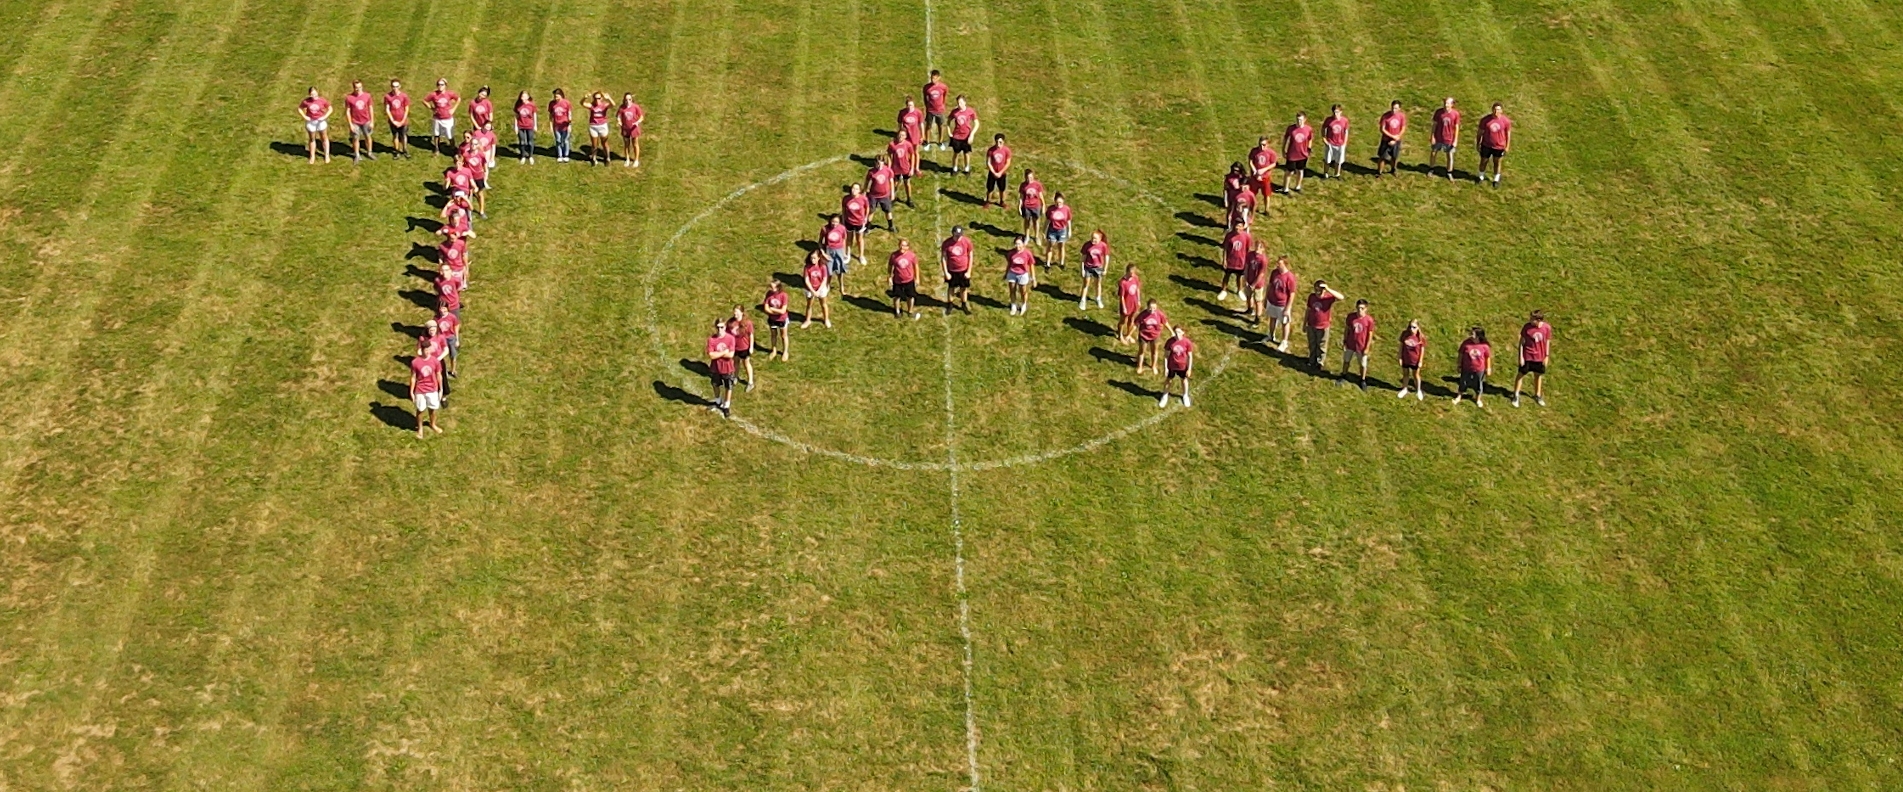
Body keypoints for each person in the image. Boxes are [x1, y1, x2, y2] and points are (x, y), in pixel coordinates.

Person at [1512, 310, 1551, 407]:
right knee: (1521, 375)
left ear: (1538, 320)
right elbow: (1521, 342)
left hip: (1539, 357)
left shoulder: (1546, 328)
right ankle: (1516, 395)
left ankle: (1537, 395)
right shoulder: (1527, 327)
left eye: (1532, 319)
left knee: (1538, 376)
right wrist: (1521, 356)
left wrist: (1546, 356)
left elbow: (1547, 342)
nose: (1530, 320)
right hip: (1527, 356)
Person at [1303, 279, 1344, 368]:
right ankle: (1311, 360)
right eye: (1316, 289)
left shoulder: (1328, 297)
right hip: (1311, 325)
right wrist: (1304, 323)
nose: (1318, 292)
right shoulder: (1312, 297)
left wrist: (1328, 289)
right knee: (1312, 344)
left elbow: (1341, 297)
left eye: (1320, 290)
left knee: (1322, 346)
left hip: (1323, 326)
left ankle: (1320, 362)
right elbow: (1308, 310)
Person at [409, 343, 445, 438]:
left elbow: (439, 375)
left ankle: (432, 424)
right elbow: (413, 377)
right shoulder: (415, 362)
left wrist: (441, 389)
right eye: (426, 350)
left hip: (432, 389)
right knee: (420, 410)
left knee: (432, 409)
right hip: (420, 389)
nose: (428, 352)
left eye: (429, 349)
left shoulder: (435, 361)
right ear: (422, 349)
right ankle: (420, 428)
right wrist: (411, 391)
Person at [1339, 299, 1375, 390]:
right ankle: (1344, 375)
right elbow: (1347, 329)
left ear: (1366, 309)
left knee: (1363, 364)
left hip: (1361, 346)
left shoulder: (1369, 320)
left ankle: (1362, 380)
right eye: (1358, 308)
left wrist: (1367, 347)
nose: (1360, 310)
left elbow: (1370, 334)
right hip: (1351, 343)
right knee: (1346, 360)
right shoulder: (1351, 317)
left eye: (1362, 308)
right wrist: (1345, 340)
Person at [1453, 326, 1492, 407]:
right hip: (1466, 368)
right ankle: (1459, 396)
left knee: (1478, 384)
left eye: (1472, 334)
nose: (1470, 335)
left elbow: (1487, 357)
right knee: (1463, 382)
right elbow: (1461, 354)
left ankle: (1478, 399)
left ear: (1478, 336)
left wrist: (1488, 368)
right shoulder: (1466, 343)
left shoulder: (1485, 346)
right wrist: (1459, 365)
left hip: (1479, 369)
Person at [1265, 255, 1297, 349]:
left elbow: (1292, 294)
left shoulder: (1290, 277)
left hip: (1282, 304)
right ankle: (1271, 335)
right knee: (1272, 319)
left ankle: (1284, 341)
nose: (1277, 265)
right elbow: (1270, 285)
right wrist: (1266, 298)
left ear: (1285, 264)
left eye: (1279, 263)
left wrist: (1288, 308)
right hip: (1272, 301)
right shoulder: (1274, 273)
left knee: (1284, 323)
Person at [706, 319, 736, 417]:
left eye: (722, 327)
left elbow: (731, 354)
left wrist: (717, 354)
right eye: (718, 327)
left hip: (727, 367)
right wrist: (723, 352)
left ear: (725, 327)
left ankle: (726, 405)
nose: (720, 329)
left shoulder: (730, 338)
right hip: (716, 367)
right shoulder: (711, 339)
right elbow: (711, 355)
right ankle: (718, 401)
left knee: (728, 386)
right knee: (715, 384)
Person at [1477, 102, 1512, 187]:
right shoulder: (1485, 120)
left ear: (1502, 110)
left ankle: (1496, 179)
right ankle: (1481, 177)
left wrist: (1507, 146)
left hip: (1499, 146)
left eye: (1499, 109)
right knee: (1483, 161)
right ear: (1492, 110)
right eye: (1495, 109)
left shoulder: (1505, 121)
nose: (1497, 111)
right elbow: (1480, 133)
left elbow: (1508, 134)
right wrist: (1478, 143)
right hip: (1486, 145)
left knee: (1497, 162)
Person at [941, 226, 974, 313]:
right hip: (952, 270)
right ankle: (950, 304)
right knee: (951, 288)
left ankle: (964, 304)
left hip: (963, 269)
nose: (958, 237)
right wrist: (946, 272)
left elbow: (970, 255)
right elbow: (944, 258)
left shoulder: (967, 241)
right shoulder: (947, 243)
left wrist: (969, 271)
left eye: (959, 235)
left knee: (963, 288)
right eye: (956, 235)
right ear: (953, 234)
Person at [1218, 219, 1252, 302]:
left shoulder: (1247, 237)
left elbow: (1248, 249)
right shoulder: (1229, 235)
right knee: (1227, 276)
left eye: (1240, 226)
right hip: (1230, 260)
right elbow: (1225, 248)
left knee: (1239, 276)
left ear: (1243, 227)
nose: (1238, 228)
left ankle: (1239, 290)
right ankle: (1224, 290)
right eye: (1236, 226)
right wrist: (1224, 260)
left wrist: (1247, 262)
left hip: (1241, 261)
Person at [1160, 325, 1194, 408]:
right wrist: (1166, 368)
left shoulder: (1187, 342)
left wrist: (1189, 369)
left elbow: (1190, 356)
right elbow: (1166, 356)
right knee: (1169, 380)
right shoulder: (1170, 342)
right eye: (1175, 332)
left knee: (1184, 380)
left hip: (1182, 366)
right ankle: (1165, 395)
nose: (1177, 334)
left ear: (1183, 332)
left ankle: (1185, 395)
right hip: (1172, 365)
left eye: (1179, 332)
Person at [820, 215, 852, 297]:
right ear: (830, 221)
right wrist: (823, 253)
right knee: (829, 271)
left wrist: (844, 252)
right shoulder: (825, 229)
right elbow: (820, 242)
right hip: (829, 251)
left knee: (839, 271)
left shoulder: (842, 228)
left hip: (839, 250)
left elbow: (844, 239)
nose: (834, 224)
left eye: (836, 222)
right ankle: (827, 286)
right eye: (833, 222)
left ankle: (841, 287)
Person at [1282, 111, 1314, 194]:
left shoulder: (1308, 129)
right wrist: (1283, 149)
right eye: (1297, 119)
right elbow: (1285, 139)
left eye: (1300, 120)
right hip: (1292, 154)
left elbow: (1310, 139)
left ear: (1305, 120)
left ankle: (1298, 186)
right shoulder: (1291, 128)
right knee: (1289, 172)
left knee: (1300, 171)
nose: (1299, 122)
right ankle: (1285, 188)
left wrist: (1309, 149)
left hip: (1302, 154)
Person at [298, 87, 332, 164]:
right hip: (311, 122)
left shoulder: (322, 100)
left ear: (317, 92)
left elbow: (330, 108)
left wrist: (324, 117)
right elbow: (300, 108)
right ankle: (312, 156)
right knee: (312, 139)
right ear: (309, 94)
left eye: (315, 93)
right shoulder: (306, 101)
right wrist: (305, 116)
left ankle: (326, 155)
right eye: (312, 94)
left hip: (321, 121)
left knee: (324, 137)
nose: (314, 95)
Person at [425, 78, 459, 155]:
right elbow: (425, 100)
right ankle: (436, 148)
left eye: (442, 84)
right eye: (439, 84)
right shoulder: (434, 94)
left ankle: (453, 148)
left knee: (450, 135)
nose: (440, 86)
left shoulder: (449, 94)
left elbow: (458, 99)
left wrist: (453, 109)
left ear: (445, 86)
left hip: (448, 118)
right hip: (437, 118)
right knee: (436, 134)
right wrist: (432, 108)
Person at [888, 238, 920, 319]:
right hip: (897, 280)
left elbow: (916, 266)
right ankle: (897, 312)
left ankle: (910, 311)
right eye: (901, 245)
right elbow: (890, 266)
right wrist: (889, 277)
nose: (902, 247)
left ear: (908, 247)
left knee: (910, 296)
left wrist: (917, 278)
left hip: (909, 280)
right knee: (897, 296)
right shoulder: (894, 255)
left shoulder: (912, 255)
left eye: (904, 246)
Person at [1429, 97, 1460, 181]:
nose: (1446, 105)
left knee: (1450, 155)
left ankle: (1449, 172)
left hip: (1449, 138)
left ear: (1452, 104)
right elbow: (1434, 125)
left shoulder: (1455, 114)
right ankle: (1431, 169)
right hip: (1438, 137)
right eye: (1445, 103)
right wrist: (1432, 136)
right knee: (1433, 153)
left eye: (1448, 103)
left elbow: (1456, 127)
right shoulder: (1438, 112)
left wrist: (1455, 140)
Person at [344, 80, 375, 161]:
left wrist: (372, 121)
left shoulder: (367, 96)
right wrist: (350, 124)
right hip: (355, 122)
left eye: (360, 87)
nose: (358, 89)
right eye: (356, 88)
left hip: (366, 121)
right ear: (353, 88)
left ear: (362, 87)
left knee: (368, 137)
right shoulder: (349, 98)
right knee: (355, 138)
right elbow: (347, 111)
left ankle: (369, 152)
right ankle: (357, 155)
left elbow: (370, 108)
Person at [842, 184, 872, 269]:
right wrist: (844, 220)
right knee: (849, 239)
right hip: (849, 222)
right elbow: (843, 209)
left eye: (856, 189)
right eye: (853, 188)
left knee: (859, 239)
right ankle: (848, 255)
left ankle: (861, 256)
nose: (854, 190)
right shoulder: (846, 199)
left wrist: (865, 218)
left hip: (859, 222)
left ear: (859, 190)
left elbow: (867, 208)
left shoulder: (863, 199)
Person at [1134, 300, 1169, 374]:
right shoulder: (1143, 314)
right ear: (1147, 307)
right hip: (1144, 335)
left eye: (1154, 308)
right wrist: (1131, 333)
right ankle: (1140, 366)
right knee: (1142, 351)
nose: (1152, 310)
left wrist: (1171, 331)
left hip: (1155, 336)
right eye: (1150, 308)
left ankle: (1153, 366)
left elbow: (1165, 322)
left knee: (1154, 351)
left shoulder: (1159, 314)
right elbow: (1136, 323)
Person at [800, 250, 832, 329]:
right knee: (809, 305)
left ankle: (826, 319)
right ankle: (808, 320)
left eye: (814, 258)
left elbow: (824, 279)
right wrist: (813, 291)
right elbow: (806, 280)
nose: (812, 260)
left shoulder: (823, 267)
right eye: (811, 258)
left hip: (820, 288)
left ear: (819, 258)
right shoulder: (807, 267)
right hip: (810, 289)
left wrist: (818, 290)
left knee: (824, 304)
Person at [947, 96, 979, 174]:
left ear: (965, 102)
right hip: (956, 136)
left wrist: (972, 135)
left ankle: (967, 168)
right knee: (956, 153)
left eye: (961, 102)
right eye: (958, 103)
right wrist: (949, 132)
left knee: (966, 153)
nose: (959, 104)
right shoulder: (954, 112)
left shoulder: (970, 111)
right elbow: (948, 121)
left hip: (966, 136)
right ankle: (954, 168)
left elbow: (977, 123)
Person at [865, 154, 898, 230]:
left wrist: (892, 193)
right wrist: (865, 190)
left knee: (888, 211)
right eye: (877, 163)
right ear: (875, 163)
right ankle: (867, 227)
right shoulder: (871, 172)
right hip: (873, 196)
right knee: (871, 211)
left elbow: (891, 181)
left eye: (881, 163)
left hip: (885, 195)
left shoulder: (888, 171)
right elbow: (867, 181)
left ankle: (891, 226)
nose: (879, 165)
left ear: (883, 162)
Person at [1004, 237, 1035, 315]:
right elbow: (1009, 264)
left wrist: (1033, 278)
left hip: (1023, 274)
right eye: (1016, 244)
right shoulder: (1011, 253)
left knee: (1023, 291)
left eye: (1019, 244)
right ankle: (1013, 306)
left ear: (1023, 244)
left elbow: (1031, 265)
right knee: (1012, 290)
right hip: (1012, 273)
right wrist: (1006, 273)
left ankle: (1024, 304)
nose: (1017, 246)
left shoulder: (1027, 253)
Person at [1240, 240, 1269, 326]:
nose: (1257, 248)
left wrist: (1254, 284)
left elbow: (1261, 274)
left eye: (1260, 247)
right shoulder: (1250, 255)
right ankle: (1250, 309)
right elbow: (1246, 267)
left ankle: (1257, 317)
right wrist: (1245, 279)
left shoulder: (1263, 259)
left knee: (1258, 300)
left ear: (1263, 249)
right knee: (1248, 295)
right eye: (1257, 246)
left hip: (1258, 284)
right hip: (1249, 279)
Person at [728, 305, 756, 391]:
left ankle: (750, 382)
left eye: (737, 311)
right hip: (734, 347)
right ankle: (735, 377)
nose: (735, 313)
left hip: (744, 347)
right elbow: (728, 334)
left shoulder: (747, 323)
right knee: (735, 362)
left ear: (742, 312)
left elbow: (751, 335)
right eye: (734, 311)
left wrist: (751, 347)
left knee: (746, 363)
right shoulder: (731, 322)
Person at [1397, 319, 1426, 400]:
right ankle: (1404, 389)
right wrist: (1400, 357)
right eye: (1410, 327)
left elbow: (1422, 350)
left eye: (1414, 327)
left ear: (1418, 328)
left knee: (1416, 375)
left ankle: (1418, 390)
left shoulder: (1420, 337)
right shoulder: (1405, 334)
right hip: (1406, 358)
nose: (1411, 329)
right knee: (1405, 374)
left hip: (1415, 360)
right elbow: (1401, 346)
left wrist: (1420, 361)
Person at [1044, 192, 1073, 274]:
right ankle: (1048, 263)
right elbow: (1047, 220)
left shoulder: (1066, 209)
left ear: (1063, 201)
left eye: (1060, 202)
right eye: (1057, 202)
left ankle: (1061, 263)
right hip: (1052, 230)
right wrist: (1044, 230)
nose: (1058, 204)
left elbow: (1069, 220)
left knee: (1061, 246)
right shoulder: (1050, 209)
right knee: (1050, 246)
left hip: (1062, 230)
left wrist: (1069, 230)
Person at [1376, 99, 1405, 177]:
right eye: (1392, 108)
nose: (1393, 110)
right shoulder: (1385, 116)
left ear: (1399, 109)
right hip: (1386, 140)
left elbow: (1403, 128)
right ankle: (1379, 172)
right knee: (1382, 157)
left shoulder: (1401, 116)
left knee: (1394, 157)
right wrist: (1392, 137)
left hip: (1396, 140)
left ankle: (1393, 170)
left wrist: (1397, 138)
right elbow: (1382, 129)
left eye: (1395, 108)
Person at [762, 280, 791, 360]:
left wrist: (772, 310)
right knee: (773, 335)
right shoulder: (769, 294)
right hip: (772, 319)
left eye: (772, 287)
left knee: (783, 336)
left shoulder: (784, 295)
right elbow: (766, 308)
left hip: (782, 319)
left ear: (778, 287)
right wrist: (775, 312)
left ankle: (785, 352)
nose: (770, 288)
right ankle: (774, 350)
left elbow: (783, 310)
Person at [887, 131, 917, 206]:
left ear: (905, 136)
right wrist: (889, 167)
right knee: (895, 184)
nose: (901, 136)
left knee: (907, 183)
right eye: (899, 135)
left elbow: (912, 155)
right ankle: (892, 197)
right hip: (896, 168)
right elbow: (889, 155)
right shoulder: (892, 144)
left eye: (903, 135)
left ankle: (909, 199)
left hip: (905, 168)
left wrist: (912, 168)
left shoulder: (908, 144)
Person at [383, 79, 411, 158]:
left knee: (403, 135)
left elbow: (406, 109)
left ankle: (405, 150)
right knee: (395, 136)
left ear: (400, 86)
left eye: (396, 86)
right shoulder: (387, 96)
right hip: (393, 121)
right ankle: (397, 151)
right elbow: (387, 109)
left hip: (403, 120)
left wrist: (403, 121)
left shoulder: (404, 96)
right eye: (393, 86)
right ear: (391, 87)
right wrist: (392, 120)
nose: (395, 88)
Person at [1246, 137, 1277, 209]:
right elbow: (1250, 161)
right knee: (1252, 193)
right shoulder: (1254, 151)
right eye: (1260, 145)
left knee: (1267, 194)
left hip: (1265, 177)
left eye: (1264, 145)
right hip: (1254, 177)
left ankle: (1267, 209)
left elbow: (1273, 164)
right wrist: (1254, 171)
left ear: (1268, 144)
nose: (1262, 147)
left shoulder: (1271, 153)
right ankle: (1250, 206)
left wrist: (1264, 170)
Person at [1016, 168, 1045, 245]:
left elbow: (1041, 196)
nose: (1030, 179)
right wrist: (1019, 206)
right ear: (1025, 177)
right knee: (1027, 221)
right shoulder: (1023, 185)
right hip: (1026, 207)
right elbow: (1021, 197)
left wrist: (1043, 205)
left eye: (1031, 177)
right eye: (1028, 178)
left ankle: (1036, 237)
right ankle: (1027, 236)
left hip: (1036, 206)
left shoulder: (1037, 185)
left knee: (1036, 221)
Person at [922, 70, 950, 151]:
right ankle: (927, 141)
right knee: (928, 126)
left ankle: (940, 142)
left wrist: (943, 104)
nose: (932, 80)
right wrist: (927, 106)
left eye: (934, 78)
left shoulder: (943, 87)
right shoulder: (926, 87)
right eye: (931, 78)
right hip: (930, 110)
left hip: (939, 110)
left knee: (940, 126)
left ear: (938, 78)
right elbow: (925, 97)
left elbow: (945, 95)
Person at [1321, 104, 1349, 179]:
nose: (1335, 114)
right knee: (1327, 160)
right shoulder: (1328, 120)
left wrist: (1345, 142)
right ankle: (1325, 173)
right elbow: (1323, 128)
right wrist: (1324, 139)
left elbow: (1346, 131)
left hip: (1340, 144)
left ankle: (1337, 174)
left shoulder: (1344, 120)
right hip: (1330, 143)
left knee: (1338, 161)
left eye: (1337, 112)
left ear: (1341, 112)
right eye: (1334, 112)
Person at [584, 91, 612, 165]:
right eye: (595, 98)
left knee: (604, 143)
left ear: (602, 98)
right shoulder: (592, 105)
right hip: (593, 126)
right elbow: (582, 103)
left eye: (599, 98)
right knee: (594, 144)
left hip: (603, 126)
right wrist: (584, 98)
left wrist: (609, 98)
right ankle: (594, 158)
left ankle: (607, 157)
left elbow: (613, 104)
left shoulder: (604, 105)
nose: (597, 100)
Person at [983, 134, 1012, 207]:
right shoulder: (991, 150)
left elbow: (1008, 163)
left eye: (1000, 142)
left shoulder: (1006, 151)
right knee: (990, 188)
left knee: (1002, 188)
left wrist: (1000, 172)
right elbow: (988, 162)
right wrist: (993, 172)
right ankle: (988, 201)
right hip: (992, 173)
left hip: (1002, 173)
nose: (998, 144)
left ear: (1003, 142)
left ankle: (1002, 202)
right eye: (997, 142)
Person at [1116, 264, 1142, 343]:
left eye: (1133, 273)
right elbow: (1122, 296)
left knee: (1131, 319)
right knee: (1123, 321)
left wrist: (1138, 300)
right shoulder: (1122, 282)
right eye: (1131, 273)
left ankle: (1128, 334)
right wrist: (1123, 307)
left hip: (1134, 303)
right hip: (1126, 304)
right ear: (1127, 272)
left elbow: (1137, 289)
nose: (1132, 275)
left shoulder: (1135, 278)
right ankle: (1120, 335)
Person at [617, 92, 644, 167]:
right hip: (625, 129)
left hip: (634, 129)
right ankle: (627, 159)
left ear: (632, 100)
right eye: (626, 100)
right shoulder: (622, 107)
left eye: (629, 99)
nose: (628, 101)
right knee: (626, 145)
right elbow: (618, 115)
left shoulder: (635, 107)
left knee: (635, 144)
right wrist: (619, 121)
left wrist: (637, 122)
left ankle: (636, 160)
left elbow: (641, 116)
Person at [436, 306, 461, 380]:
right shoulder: (436, 318)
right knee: (440, 356)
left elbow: (456, 326)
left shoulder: (452, 317)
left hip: (451, 338)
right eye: (441, 309)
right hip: (441, 339)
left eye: (444, 309)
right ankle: (442, 372)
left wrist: (457, 339)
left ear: (447, 309)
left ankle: (453, 371)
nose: (442, 311)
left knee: (453, 355)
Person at [549, 88, 573, 162]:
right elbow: (550, 115)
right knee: (558, 140)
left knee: (565, 140)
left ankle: (566, 155)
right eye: (555, 96)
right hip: (556, 126)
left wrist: (569, 124)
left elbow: (569, 114)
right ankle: (560, 155)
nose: (556, 98)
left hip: (565, 125)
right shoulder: (552, 103)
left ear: (561, 95)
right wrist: (550, 125)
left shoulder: (566, 103)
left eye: (557, 96)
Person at [512, 90, 537, 163]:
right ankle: (523, 155)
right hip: (520, 126)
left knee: (530, 142)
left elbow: (534, 114)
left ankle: (530, 156)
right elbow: (516, 116)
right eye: (522, 96)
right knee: (522, 142)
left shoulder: (532, 105)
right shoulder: (518, 105)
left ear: (528, 97)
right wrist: (516, 126)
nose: (523, 98)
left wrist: (535, 125)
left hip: (529, 125)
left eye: (525, 96)